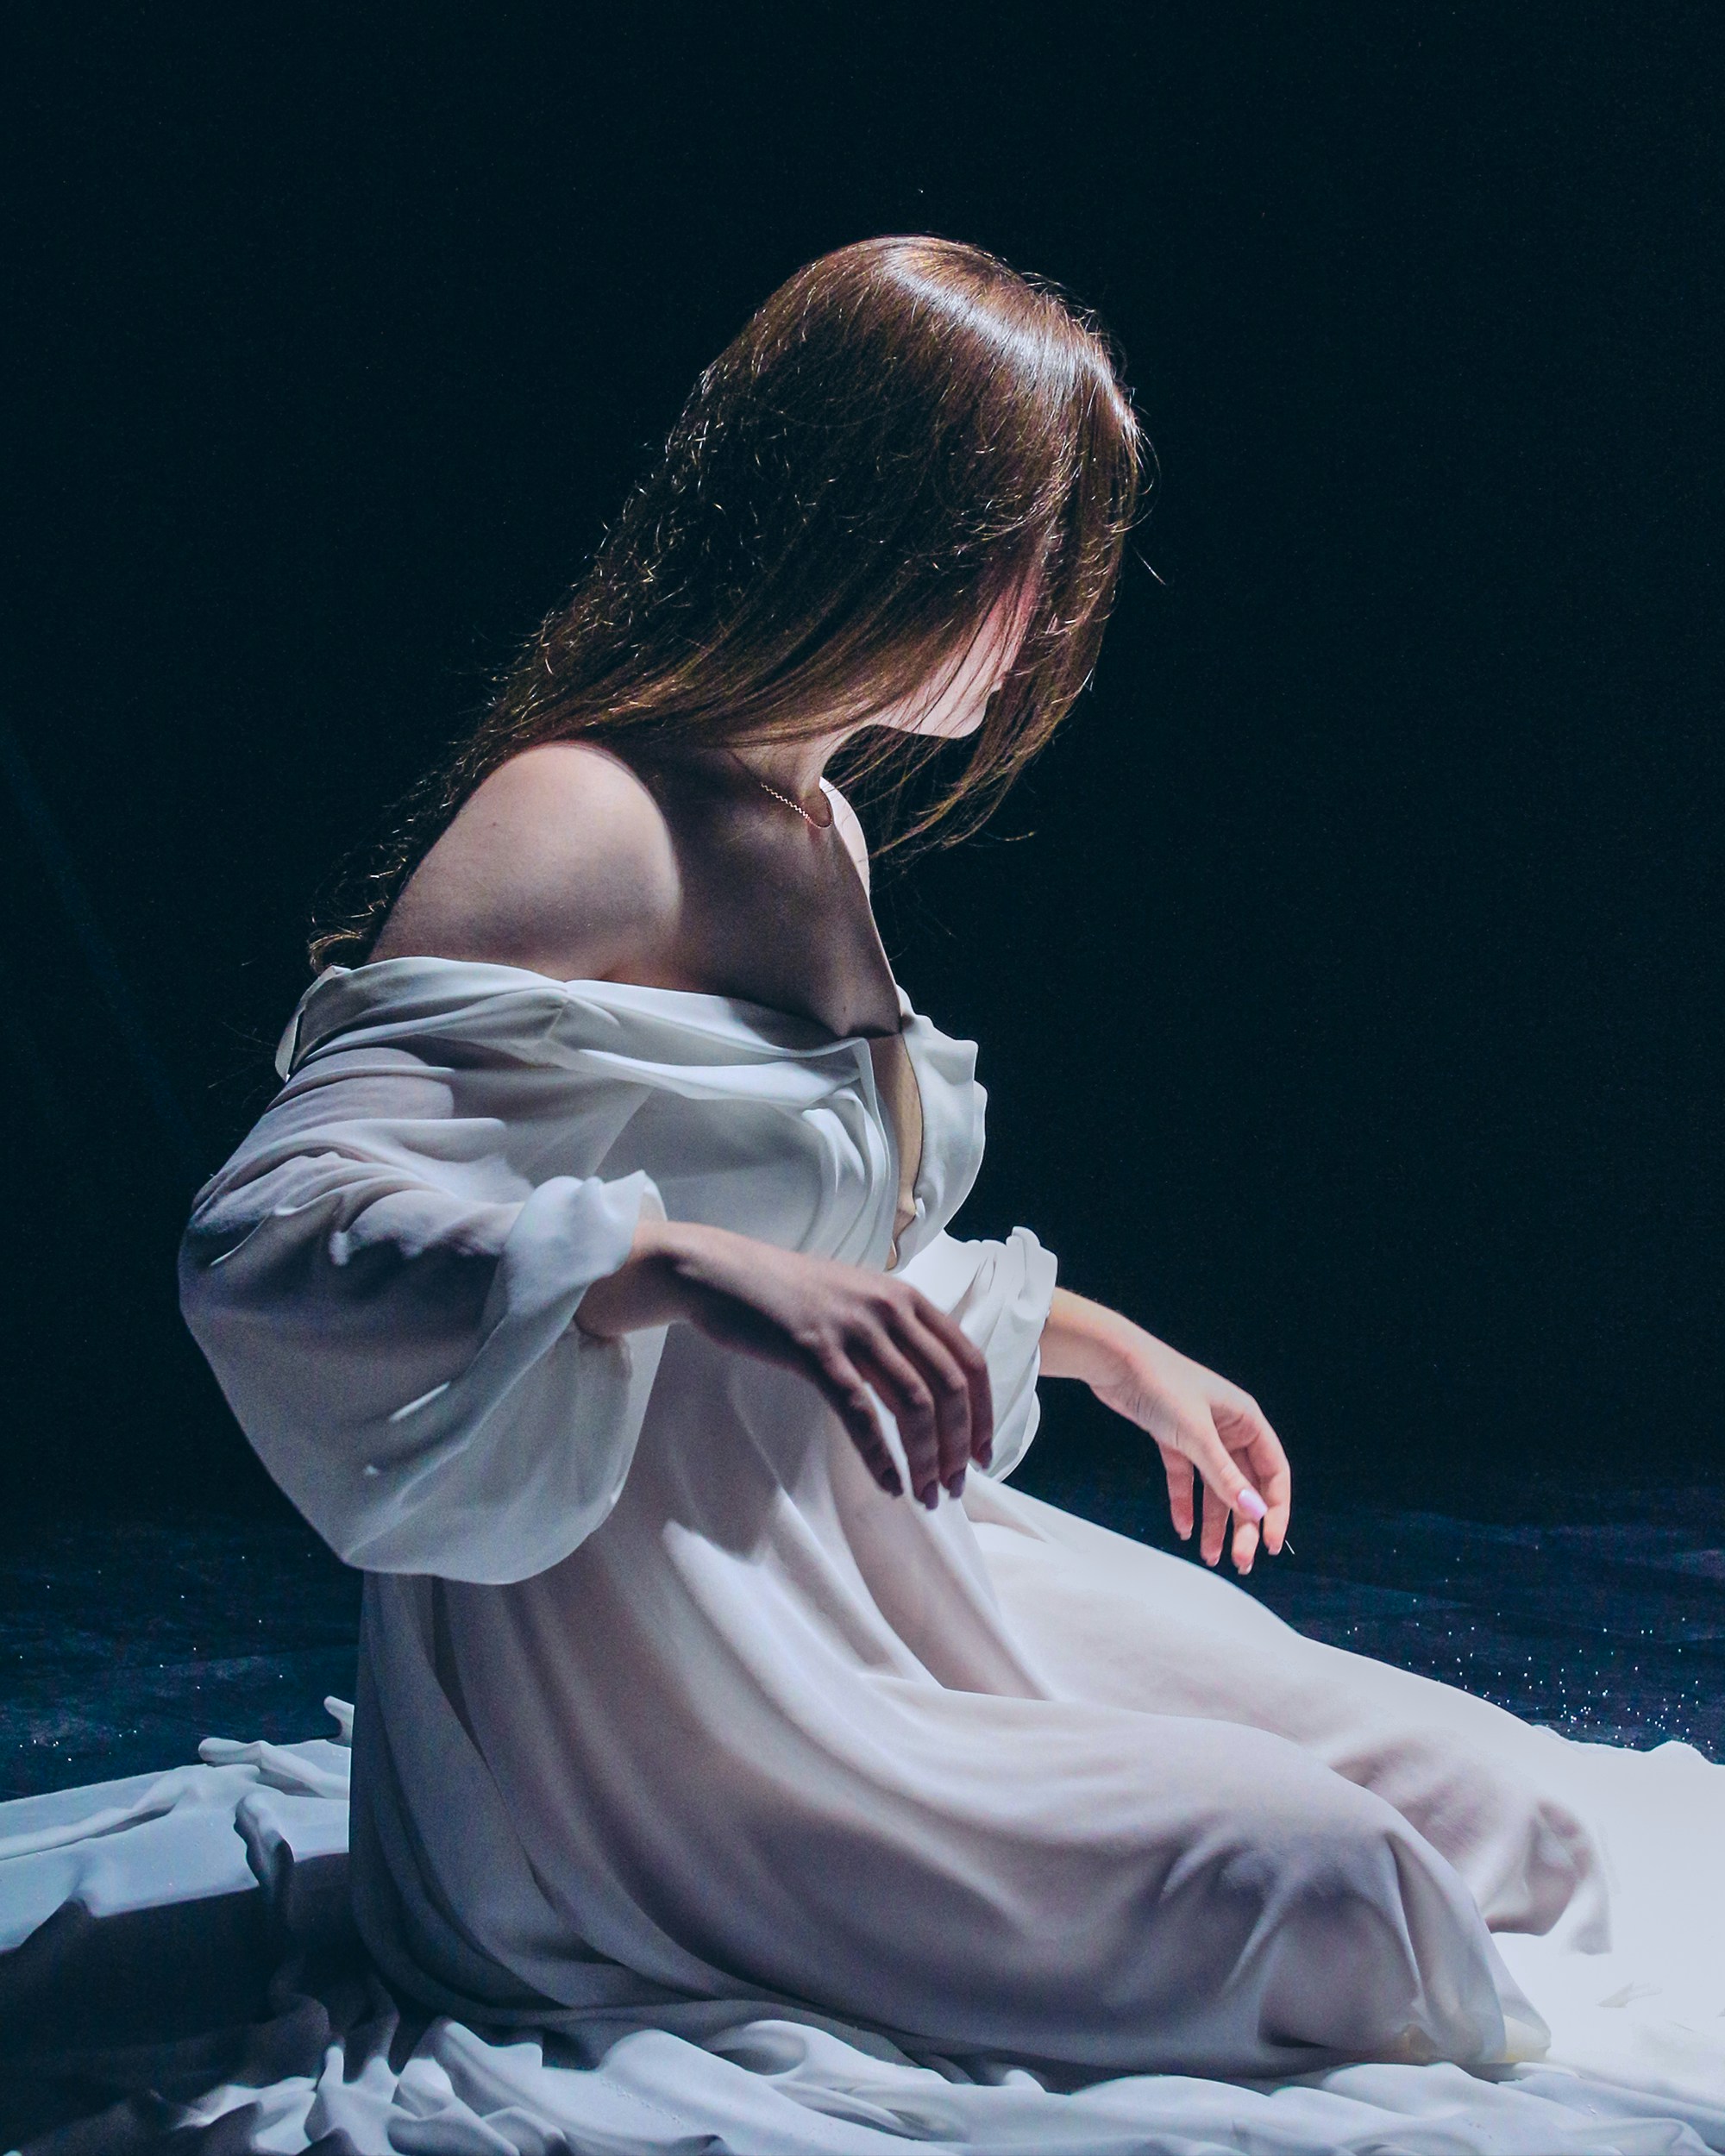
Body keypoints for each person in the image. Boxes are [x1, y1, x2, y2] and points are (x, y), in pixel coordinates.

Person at [179, 236, 1607, 2081]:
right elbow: (271, 1235)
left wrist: (1108, 1347)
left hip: (875, 1575)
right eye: (1029, 553)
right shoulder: (581, 815)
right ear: (890, 528)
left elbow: (837, 1247)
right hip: (647, 1700)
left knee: (1517, 1815)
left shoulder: (816, 821)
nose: (1041, 621)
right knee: (1346, 1904)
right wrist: (670, 1264)